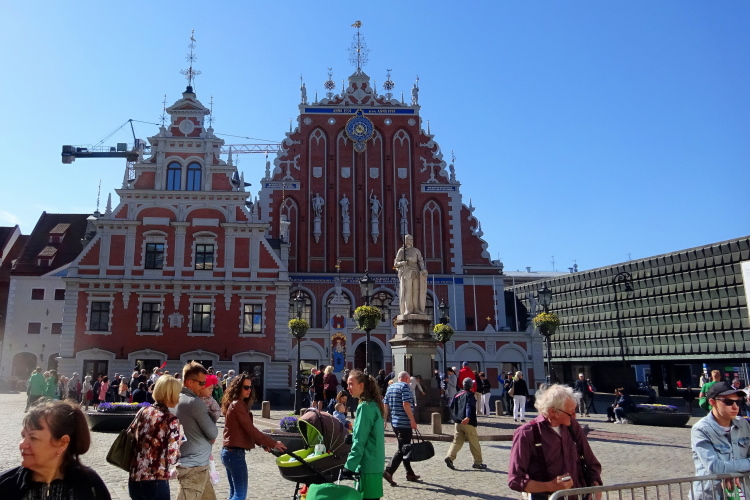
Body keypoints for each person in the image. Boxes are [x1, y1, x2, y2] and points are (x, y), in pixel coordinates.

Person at [0, 399, 110, 499]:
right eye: (23, 436)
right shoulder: (5, 486)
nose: (22, 445)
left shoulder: (90, 486)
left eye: (33, 438)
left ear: (62, 443)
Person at [508, 384, 602, 498]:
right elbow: (515, 480)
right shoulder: (526, 433)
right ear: (553, 412)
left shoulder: (573, 426)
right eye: (570, 413)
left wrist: (596, 487)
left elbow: (592, 463)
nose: (575, 416)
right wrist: (550, 486)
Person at [221, 373, 286, 500]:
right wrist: (273, 443)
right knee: (240, 494)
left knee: (234, 493)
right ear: (237, 388)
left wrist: (262, 444)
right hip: (234, 454)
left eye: (250, 387)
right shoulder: (237, 405)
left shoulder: (236, 403)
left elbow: (245, 430)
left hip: (229, 453)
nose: (249, 390)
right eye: (246, 387)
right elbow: (251, 430)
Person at [691, 381, 750, 500]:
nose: (735, 407)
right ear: (712, 402)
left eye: (738, 402)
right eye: (728, 402)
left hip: (741, 492)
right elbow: (714, 467)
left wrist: (734, 472)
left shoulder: (743, 424)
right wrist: (739, 469)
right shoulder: (701, 429)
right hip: (712, 494)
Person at [128, 375, 183, 500]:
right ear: (171, 394)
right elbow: (172, 458)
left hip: (135, 477)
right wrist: (179, 440)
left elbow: (131, 435)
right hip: (156, 479)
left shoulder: (143, 411)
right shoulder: (170, 420)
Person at [175, 362, 219, 500]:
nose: (203, 387)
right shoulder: (194, 402)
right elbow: (213, 432)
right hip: (194, 467)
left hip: (196, 463)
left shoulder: (176, 398)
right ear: (190, 382)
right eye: (201, 383)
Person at [343, 369, 386, 500]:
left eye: (351, 384)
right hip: (375, 463)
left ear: (361, 385)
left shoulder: (365, 407)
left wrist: (349, 466)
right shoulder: (373, 404)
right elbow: (370, 433)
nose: (348, 387)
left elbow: (360, 441)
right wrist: (353, 435)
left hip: (367, 465)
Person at [382, 371, 419, 486]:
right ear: (407, 378)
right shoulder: (405, 387)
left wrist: (385, 420)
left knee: (404, 447)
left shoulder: (390, 387)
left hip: (395, 423)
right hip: (404, 423)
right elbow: (406, 404)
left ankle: (410, 473)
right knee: (403, 449)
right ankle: (389, 471)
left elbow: (385, 405)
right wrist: (412, 420)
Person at [445, 377, 487, 470]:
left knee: (457, 441)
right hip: (468, 423)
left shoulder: (457, 394)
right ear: (471, 386)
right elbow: (469, 406)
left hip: (457, 422)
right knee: (474, 442)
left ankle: (450, 457)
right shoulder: (469, 395)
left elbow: (451, 405)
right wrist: (467, 417)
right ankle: (478, 463)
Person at [393, 234, 427, 316]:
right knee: (407, 290)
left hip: (416, 271)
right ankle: (407, 309)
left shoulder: (416, 251)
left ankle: (416, 308)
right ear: (405, 241)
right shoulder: (402, 251)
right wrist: (402, 263)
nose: (410, 241)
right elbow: (395, 263)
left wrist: (423, 269)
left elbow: (420, 260)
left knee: (416, 291)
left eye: (411, 239)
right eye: (409, 239)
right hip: (406, 271)